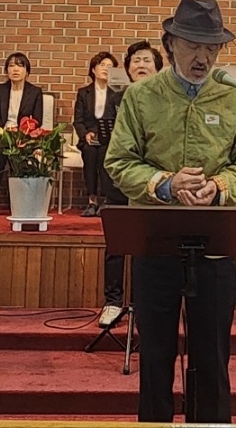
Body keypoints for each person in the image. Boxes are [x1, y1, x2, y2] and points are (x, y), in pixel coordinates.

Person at [104, 0, 236, 424]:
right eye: (193, 45)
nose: (203, 57)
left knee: (212, 359)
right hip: (155, 242)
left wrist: (220, 186)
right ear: (170, 43)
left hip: (215, 246)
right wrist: (166, 183)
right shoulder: (141, 96)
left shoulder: (234, 98)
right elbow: (119, 162)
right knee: (155, 356)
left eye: (212, 48)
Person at [94, 40, 164, 329]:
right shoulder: (115, 99)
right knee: (117, 243)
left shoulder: (164, 100)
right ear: (127, 68)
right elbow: (107, 139)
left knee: (146, 246)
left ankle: (140, 303)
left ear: (158, 68)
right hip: (120, 179)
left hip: (152, 183)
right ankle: (113, 301)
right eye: (136, 61)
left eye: (147, 60)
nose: (141, 65)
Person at [0, 52, 44, 217]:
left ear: (27, 71)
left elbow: (37, 120)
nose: (15, 69)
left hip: (24, 137)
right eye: (11, 65)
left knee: (23, 157)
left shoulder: (35, 92)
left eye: (20, 66)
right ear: (6, 70)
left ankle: (24, 203)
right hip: (1, 136)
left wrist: (22, 135)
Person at [73, 51, 119, 217]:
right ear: (93, 69)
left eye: (110, 66)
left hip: (110, 138)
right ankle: (92, 200)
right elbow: (78, 121)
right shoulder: (83, 93)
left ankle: (107, 199)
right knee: (90, 153)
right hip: (89, 138)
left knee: (105, 155)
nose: (106, 69)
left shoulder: (117, 93)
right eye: (102, 65)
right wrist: (85, 134)